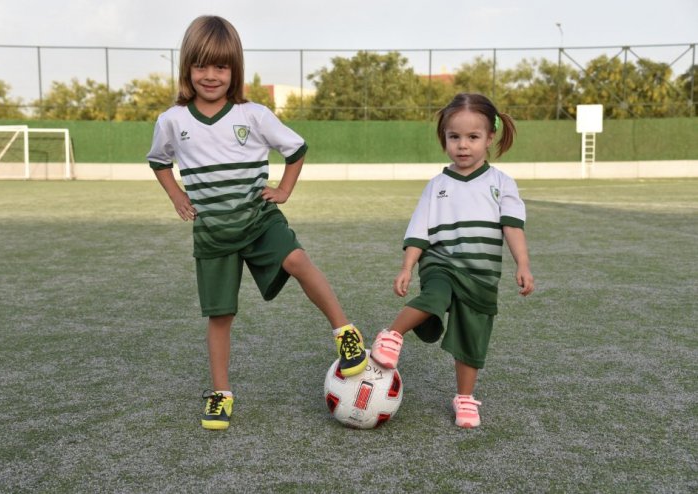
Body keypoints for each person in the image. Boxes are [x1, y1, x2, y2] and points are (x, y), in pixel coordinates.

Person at [146, 15, 367, 431]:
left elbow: (296, 149)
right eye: (201, 65)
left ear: (235, 70)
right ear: (186, 68)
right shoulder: (172, 120)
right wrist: (177, 195)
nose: (211, 76)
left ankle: (345, 333)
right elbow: (158, 161)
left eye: (221, 66)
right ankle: (220, 394)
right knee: (220, 316)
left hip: (258, 219)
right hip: (213, 232)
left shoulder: (254, 114)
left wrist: (283, 190)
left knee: (299, 260)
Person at [370, 93, 535, 428]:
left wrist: (523, 264)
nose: (463, 145)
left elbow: (513, 227)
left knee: (470, 338)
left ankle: (464, 398)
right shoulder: (437, 185)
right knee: (435, 295)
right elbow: (419, 229)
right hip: (440, 262)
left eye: (473, 137)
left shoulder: (501, 183)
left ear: (490, 138)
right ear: (444, 138)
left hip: (482, 276)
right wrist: (407, 266)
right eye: (454, 137)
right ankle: (392, 335)